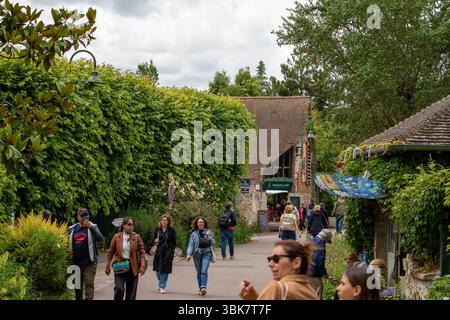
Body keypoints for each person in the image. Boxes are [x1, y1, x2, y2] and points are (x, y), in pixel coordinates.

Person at [239, 240, 318, 300]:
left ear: (296, 263)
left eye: (276, 259)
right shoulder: (311, 292)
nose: (270, 264)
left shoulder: (276, 288)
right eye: (270, 259)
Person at [105, 217, 146, 300]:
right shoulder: (116, 237)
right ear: (124, 225)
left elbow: (142, 253)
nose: (131, 226)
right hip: (120, 265)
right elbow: (110, 252)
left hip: (133, 268)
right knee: (119, 289)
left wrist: (142, 265)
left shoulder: (136, 237)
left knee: (131, 294)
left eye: (132, 225)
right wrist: (107, 266)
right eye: (129, 224)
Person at [68, 208, 104, 300]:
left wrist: (91, 228)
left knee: (89, 285)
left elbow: (100, 239)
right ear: (78, 217)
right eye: (82, 215)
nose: (84, 217)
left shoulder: (93, 226)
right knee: (78, 288)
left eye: (86, 215)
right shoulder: (72, 228)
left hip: (89, 263)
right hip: (76, 263)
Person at [186, 217, 215, 296]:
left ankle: (203, 287)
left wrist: (209, 237)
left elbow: (213, 243)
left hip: (207, 253)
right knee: (199, 272)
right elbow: (191, 245)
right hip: (197, 254)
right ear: (197, 224)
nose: (201, 223)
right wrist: (189, 254)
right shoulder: (194, 234)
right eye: (199, 222)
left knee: (204, 270)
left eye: (202, 222)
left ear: (204, 223)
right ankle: (200, 288)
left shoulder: (209, 232)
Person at [152, 214, 177, 294]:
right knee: (158, 270)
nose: (164, 222)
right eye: (163, 220)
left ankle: (162, 286)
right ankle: (160, 282)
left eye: (165, 220)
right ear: (161, 221)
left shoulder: (171, 230)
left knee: (165, 269)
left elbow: (174, 242)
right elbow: (154, 239)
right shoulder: (157, 230)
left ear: (168, 222)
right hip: (159, 251)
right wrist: (155, 241)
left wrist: (172, 250)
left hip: (168, 252)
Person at [307, 228, 332, 300]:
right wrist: (324, 273)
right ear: (326, 237)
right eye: (327, 241)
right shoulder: (321, 242)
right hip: (313, 273)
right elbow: (318, 261)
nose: (326, 242)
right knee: (318, 291)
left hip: (306, 270)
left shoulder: (312, 239)